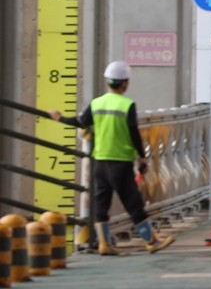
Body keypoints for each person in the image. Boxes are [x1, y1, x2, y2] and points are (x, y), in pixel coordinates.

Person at [49, 60, 174, 255]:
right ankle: (151, 240)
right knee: (133, 202)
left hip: (100, 161)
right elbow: (134, 133)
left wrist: (60, 118)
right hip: (120, 162)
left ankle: (104, 244)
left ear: (108, 82)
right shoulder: (127, 105)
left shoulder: (96, 103)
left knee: (101, 202)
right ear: (124, 83)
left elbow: (81, 122)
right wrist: (142, 157)